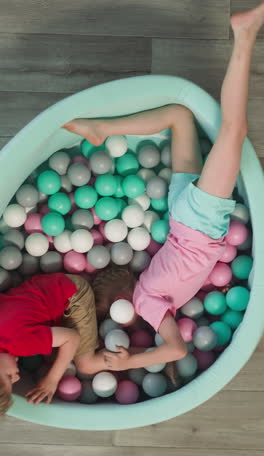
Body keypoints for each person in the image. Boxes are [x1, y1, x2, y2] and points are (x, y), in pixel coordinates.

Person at [62, 4, 264, 372]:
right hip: (180, 215)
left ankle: (245, 34)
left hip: (201, 224)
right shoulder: (147, 290)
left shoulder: (146, 304)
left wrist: (125, 365)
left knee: (234, 130)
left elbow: (176, 351)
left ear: (123, 305)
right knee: (179, 116)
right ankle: (103, 128)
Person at [0, 269, 136, 413]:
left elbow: (71, 338)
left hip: (74, 295)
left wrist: (52, 380)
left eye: (9, 376)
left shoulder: (19, 343)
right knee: (54, 356)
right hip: (50, 286)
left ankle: (140, 355)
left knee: (86, 365)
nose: (17, 377)